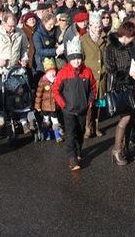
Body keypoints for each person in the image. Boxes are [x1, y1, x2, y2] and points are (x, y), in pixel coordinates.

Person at [52, 36, 97, 171]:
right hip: (69, 110)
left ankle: (78, 151)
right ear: (69, 59)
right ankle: (72, 158)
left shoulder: (87, 72)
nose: (76, 61)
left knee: (80, 131)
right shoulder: (63, 73)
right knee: (70, 133)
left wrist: (90, 101)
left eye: (78, 58)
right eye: (73, 58)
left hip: (82, 108)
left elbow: (93, 88)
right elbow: (55, 90)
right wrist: (63, 104)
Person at [105, 20, 135, 166]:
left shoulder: (128, 46)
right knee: (125, 118)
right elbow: (110, 70)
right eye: (133, 36)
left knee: (130, 117)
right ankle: (117, 149)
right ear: (126, 35)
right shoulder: (111, 48)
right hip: (118, 87)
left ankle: (123, 147)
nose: (134, 39)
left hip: (129, 85)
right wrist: (128, 73)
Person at [80, 12, 107, 138]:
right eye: (95, 27)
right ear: (89, 26)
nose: (97, 29)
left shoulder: (105, 38)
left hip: (101, 77)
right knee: (90, 104)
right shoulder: (84, 39)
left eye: (99, 26)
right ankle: (87, 127)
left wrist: (105, 69)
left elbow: (107, 56)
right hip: (89, 77)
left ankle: (97, 126)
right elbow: (81, 58)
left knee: (99, 104)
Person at [34, 57, 63, 142]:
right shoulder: (43, 81)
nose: (52, 74)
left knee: (55, 121)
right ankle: (47, 134)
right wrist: (37, 106)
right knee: (46, 121)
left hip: (54, 106)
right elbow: (39, 95)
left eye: (53, 71)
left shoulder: (57, 80)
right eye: (50, 72)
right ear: (46, 72)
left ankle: (57, 136)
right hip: (45, 107)